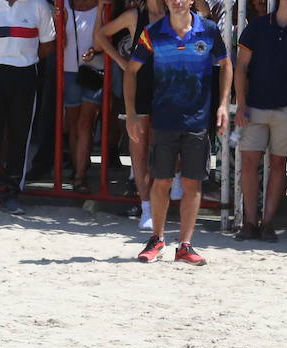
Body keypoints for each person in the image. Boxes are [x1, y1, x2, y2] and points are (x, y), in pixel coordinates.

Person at [126, 0, 230, 264]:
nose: (177, 1)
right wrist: (131, 113)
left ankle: (185, 245)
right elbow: (131, 70)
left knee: (192, 183)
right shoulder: (152, 32)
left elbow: (226, 64)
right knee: (160, 180)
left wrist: (223, 105)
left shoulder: (209, 30)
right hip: (164, 119)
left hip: (198, 120)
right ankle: (157, 239)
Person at [233, 0, 287, 241]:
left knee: (279, 166)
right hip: (254, 108)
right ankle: (249, 222)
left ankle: (268, 223)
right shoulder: (256, 27)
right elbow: (241, 67)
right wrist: (241, 104)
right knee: (249, 165)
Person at [0, 0, 55, 212]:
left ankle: (11, 193)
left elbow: (48, 44)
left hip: (24, 75)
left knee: (19, 135)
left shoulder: (38, 5)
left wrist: (24, 60)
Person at [100, 0, 165, 229]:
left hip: (167, 90)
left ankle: (156, 204)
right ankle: (146, 207)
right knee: (138, 151)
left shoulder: (175, 12)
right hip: (138, 88)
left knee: (162, 150)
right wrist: (121, 61)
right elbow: (101, 35)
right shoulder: (134, 16)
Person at [62, 0, 105, 194]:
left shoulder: (104, 6)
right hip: (69, 71)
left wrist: (96, 51)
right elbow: (57, 41)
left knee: (85, 123)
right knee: (72, 124)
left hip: (95, 71)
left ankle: (80, 176)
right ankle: (80, 164)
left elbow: (107, 38)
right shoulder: (62, 5)